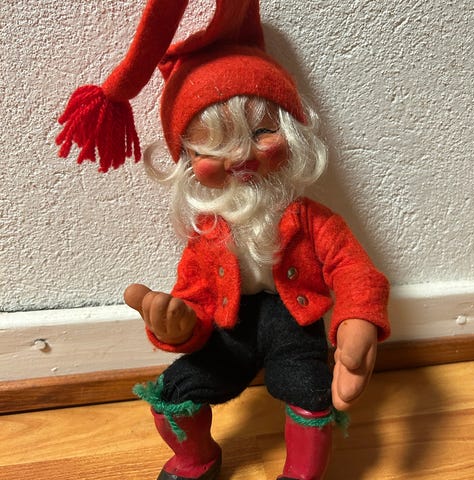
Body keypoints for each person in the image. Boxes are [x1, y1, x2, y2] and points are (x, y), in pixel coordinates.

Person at [57, 1, 390, 479]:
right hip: (230, 326)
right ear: (188, 161)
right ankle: (195, 458)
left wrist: (358, 316)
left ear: (292, 133)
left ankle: (302, 472)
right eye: (215, 146)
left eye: (261, 132)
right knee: (176, 391)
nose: (241, 158)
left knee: (310, 391)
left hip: (295, 322)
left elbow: (355, 269)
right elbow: (194, 303)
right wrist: (178, 326)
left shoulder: (313, 220)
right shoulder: (206, 235)